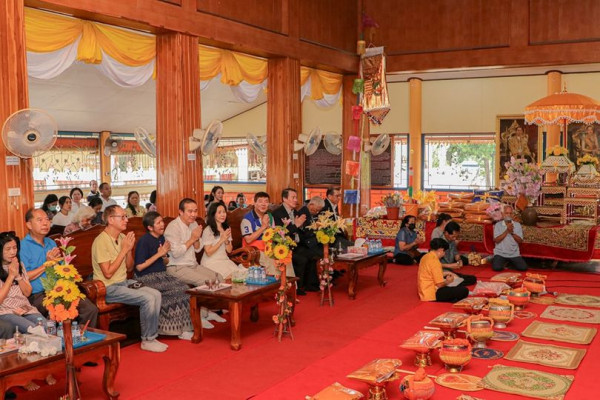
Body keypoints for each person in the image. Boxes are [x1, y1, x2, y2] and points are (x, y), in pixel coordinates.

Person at [92, 205, 166, 352]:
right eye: (123, 217)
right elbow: (107, 273)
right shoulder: (101, 241)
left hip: (124, 282)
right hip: (108, 287)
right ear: (111, 220)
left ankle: (151, 336)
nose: (126, 220)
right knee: (148, 298)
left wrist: (128, 251)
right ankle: (148, 339)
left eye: (126, 216)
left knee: (156, 294)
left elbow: (130, 267)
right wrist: (124, 249)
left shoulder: (121, 237)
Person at [20, 208, 98, 328]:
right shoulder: (22, 246)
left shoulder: (51, 242)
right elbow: (25, 277)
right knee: (60, 312)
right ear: (29, 224)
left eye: (47, 219)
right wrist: (47, 264)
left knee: (90, 309)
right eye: (39, 220)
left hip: (59, 290)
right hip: (38, 295)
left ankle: (82, 341)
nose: (45, 223)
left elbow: (60, 269)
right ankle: (65, 343)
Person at [1, 231, 56, 391]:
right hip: (6, 311)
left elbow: (27, 292)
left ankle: (47, 370)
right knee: (33, 331)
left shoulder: (19, 265)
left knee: (47, 328)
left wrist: (18, 276)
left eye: (14, 248)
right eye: (8, 249)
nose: (13, 252)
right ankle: (25, 378)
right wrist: (10, 276)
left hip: (25, 307)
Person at [163, 198, 226, 328]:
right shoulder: (173, 228)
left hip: (192, 264)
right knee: (206, 282)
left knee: (218, 278)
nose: (193, 214)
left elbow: (198, 248)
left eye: (195, 211)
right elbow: (176, 253)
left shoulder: (193, 224)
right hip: (176, 266)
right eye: (189, 211)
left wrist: (196, 239)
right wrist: (192, 238)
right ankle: (199, 317)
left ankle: (207, 312)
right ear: (180, 212)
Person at [134, 212, 194, 340]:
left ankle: (185, 327)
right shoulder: (144, 241)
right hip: (146, 277)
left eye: (162, 221)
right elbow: (139, 267)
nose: (162, 225)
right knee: (175, 291)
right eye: (158, 223)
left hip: (161, 274)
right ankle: (174, 330)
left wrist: (164, 255)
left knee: (184, 288)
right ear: (150, 227)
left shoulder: (161, 239)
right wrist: (159, 254)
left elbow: (165, 261)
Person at [241, 192, 294, 277]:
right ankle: (276, 287)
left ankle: (289, 286)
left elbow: (273, 234)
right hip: (255, 251)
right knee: (272, 261)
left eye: (266, 201)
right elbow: (248, 239)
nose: (263, 204)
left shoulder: (270, 216)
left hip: (269, 248)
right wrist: (263, 227)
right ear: (254, 203)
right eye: (260, 201)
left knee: (286, 257)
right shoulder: (247, 219)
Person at [200, 203, 245, 280]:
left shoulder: (226, 228)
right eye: (219, 212)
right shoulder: (208, 230)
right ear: (213, 214)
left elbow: (229, 250)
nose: (223, 215)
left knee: (241, 275)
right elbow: (208, 252)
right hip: (211, 262)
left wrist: (226, 240)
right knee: (231, 278)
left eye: (224, 212)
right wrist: (221, 240)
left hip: (224, 260)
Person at [418, 238, 469, 303]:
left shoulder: (425, 256)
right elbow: (440, 285)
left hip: (424, 291)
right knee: (463, 290)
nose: (444, 254)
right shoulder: (435, 261)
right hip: (432, 294)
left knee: (457, 285)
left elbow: (431, 273)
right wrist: (448, 282)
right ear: (441, 250)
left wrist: (447, 273)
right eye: (444, 251)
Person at [271, 188, 305, 285]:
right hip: (284, 246)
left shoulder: (295, 212)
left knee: (310, 253)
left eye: (296, 197)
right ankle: (297, 287)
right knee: (302, 259)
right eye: (293, 197)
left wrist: (301, 226)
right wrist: (296, 226)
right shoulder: (277, 214)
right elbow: (280, 234)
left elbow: (300, 230)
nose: (296, 200)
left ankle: (308, 285)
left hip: (297, 244)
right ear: (285, 199)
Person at [294, 196, 325, 294]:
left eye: (318, 211)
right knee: (316, 254)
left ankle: (313, 283)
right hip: (302, 243)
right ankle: (309, 284)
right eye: (315, 210)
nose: (316, 212)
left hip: (310, 241)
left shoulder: (310, 213)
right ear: (311, 205)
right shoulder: (303, 213)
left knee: (323, 251)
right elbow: (304, 232)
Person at [492, 205, 527, 271]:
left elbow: (520, 241)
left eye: (510, 213)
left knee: (523, 268)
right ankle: (505, 262)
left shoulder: (517, 225)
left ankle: (509, 263)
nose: (508, 215)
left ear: (512, 214)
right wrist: (507, 231)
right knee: (496, 268)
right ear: (502, 214)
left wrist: (512, 233)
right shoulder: (498, 225)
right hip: (500, 253)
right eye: (506, 213)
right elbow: (496, 240)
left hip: (514, 254)